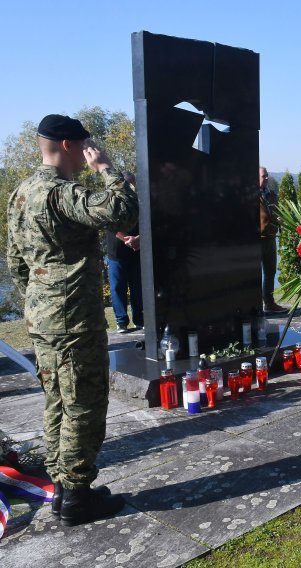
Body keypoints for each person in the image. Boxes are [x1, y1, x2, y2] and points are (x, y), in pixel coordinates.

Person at [6, 114, 139, 526]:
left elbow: (17, 263)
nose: (89, 154)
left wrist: (42, 298)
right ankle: (78, 496)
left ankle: (64, 489)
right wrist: (107, 170)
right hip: (74, 319)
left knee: (57, 401)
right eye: (86, 146)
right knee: (84, 402)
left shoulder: (21, 193)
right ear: (68, 146)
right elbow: (123, 211)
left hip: (43, 317)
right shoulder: (62, 193)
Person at [105, 171, 144, 332]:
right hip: (116, 254)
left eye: (131, 184)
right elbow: (110, 226)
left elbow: (149, 221)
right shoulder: (110, 202)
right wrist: (128, 239)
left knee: (138, 287)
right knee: (117, 288)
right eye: (126, 184)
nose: (129, 187)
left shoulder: (140, 201)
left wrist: (139, 239)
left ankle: (140, 320)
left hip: (137, 252)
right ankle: (121, 322)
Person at [259, 167, 287, 313]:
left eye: (268, 175)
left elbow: (276, 213)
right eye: (264, 176)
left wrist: (281, 221)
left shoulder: (271, 194)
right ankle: (253, 307)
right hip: (256, 240)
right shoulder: (249, 194)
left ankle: (269, 304)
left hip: (270, 238)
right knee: (253, 274)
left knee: (270, 272)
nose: (267, 178)